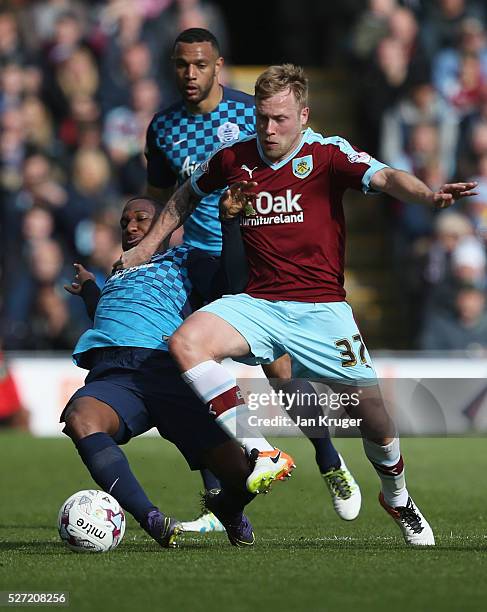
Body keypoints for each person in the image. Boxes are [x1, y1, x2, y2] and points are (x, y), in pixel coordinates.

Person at [119, 64, 478, 546]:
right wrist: (147, 247)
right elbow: (186, 194)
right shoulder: (236, 158)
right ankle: (259, 450)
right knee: (186, 342)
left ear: (303, 116)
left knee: (374, 417)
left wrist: (427, 195)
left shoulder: (327, 156)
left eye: (280, 119)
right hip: (258, 303)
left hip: (322, 309)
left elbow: (388, 176)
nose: (268, 129)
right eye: (263, 118)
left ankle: (397, 499)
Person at [144, 27, 362, 531]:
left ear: (219, 66)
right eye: (182, 65)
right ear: (173, 66)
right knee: (189, 370)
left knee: (282, 372)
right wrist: (147, 246)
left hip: (254, 255)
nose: (191, 74)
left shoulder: (252, 112)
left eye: (201, 65)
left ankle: (328, 458)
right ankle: (221, 497)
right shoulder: (162, 127)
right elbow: (161, 195)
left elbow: (298, 162)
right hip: (193, 261)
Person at [62, 196, 257, 548]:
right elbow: (114, 315)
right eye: (124, 223)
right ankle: (152, 519)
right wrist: (92, 289)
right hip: (117, 376)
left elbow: (230, 287)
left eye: (141, 220)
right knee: (81, 418)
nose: (131, 227)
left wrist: (230, 224)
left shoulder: (186, 259)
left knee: (245, 477)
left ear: (167, 227)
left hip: (171, 373)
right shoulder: (118, 270)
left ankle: (229, 511)